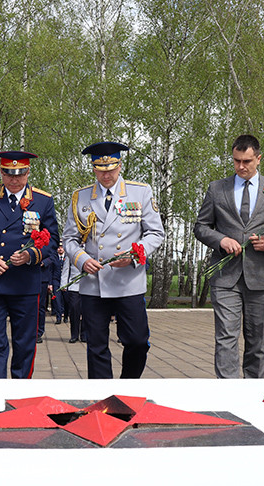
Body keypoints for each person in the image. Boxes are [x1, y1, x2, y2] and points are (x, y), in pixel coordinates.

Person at [194, 134, 264, 379]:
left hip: (261, 277)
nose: (241, 167)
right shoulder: (216, 189)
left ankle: (253, 394)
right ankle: (229, 395)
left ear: (259, 159)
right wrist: (220, 240)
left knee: (256, 343)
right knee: (226, 338)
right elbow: (201, 227)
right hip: (225, 278)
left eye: (247, 161)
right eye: (236, 161)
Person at [62, 142, 164, 379]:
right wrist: (82, 259)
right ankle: (103, 400)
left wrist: (134, 255)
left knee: (138, 341)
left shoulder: (140, 192)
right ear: (93, 168)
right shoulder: (81, 196)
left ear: (120, 165)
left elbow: (155, 233)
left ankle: (127, 387)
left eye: (111, 168)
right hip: (93, 283)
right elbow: (69, 238)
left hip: (128, 282)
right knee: (96, 346)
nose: (106, 174)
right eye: (100, 169)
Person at [0, 151, 59, 378]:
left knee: (24, 345)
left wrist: (31, 255)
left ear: (28, 173)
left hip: (25, 285)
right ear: (1, 172)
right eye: (8, 174)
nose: (14, 180)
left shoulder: (43, 200)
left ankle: (19, 397)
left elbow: (52, 239)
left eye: (19, 174)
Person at [59, 250, 85, 343]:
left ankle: (84, 335)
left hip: (87, 286)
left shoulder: (90, 249)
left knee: (86, 311)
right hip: (74, 286)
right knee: (74, 310)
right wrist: (64, 284)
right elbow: (66, 269)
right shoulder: (72, 251)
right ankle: (74, 335)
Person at [36, 251, 55, 343]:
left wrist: (44, 262)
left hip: (42, 276)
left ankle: (38, 332)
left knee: (40, 306)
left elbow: (52, 255)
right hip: (26, 275)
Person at [50, 246, 65, 324]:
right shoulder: (54, 258)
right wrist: (50, 283)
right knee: (57, 300)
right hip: (56, 281)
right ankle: (58, 317)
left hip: (66, 281)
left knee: (66, 300)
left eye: (62, 247)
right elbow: (51, 271)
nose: (60, 249)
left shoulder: (67, 258)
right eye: (59, 247)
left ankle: (65, 316)